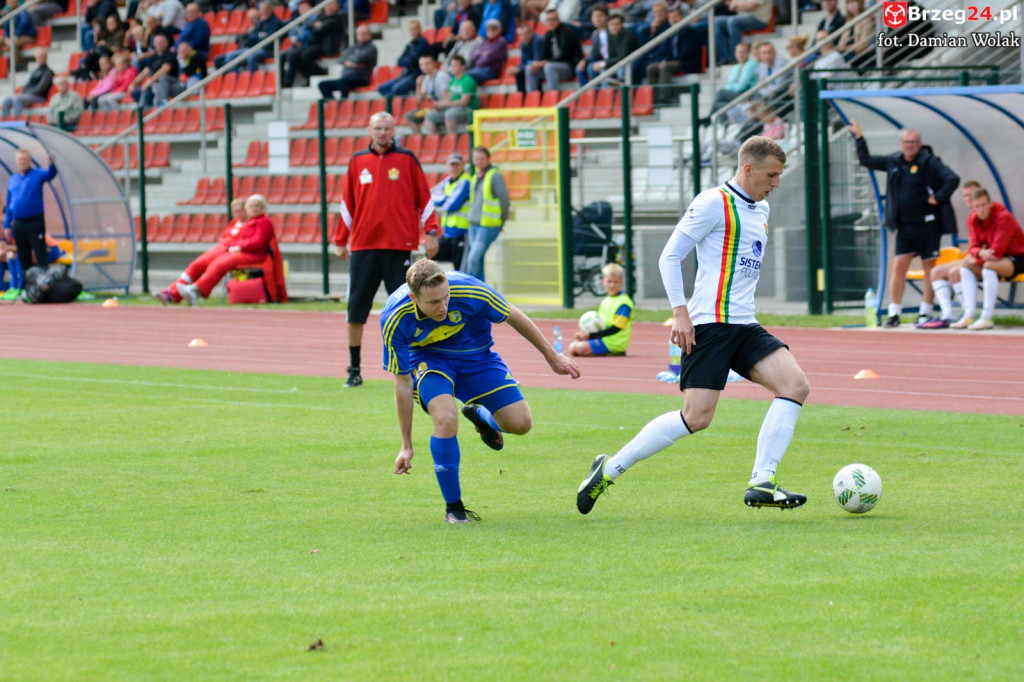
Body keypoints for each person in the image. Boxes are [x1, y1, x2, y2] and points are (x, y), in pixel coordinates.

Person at [577, 136, 811, 515]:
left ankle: (762, 481)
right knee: (696, 417)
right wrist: (680, 312)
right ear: (748, 169)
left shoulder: (761, 209)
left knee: (796, 385)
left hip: (744, 324)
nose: (777, 183)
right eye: (772, 174)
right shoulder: (712, 203)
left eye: (780, 175)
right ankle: (609, 468)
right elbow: (670, 257)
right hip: (711, 324)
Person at [382, 258, 581, 523]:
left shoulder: (471, 290)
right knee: (445, 418)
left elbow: (514, 315)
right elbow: (403, 383)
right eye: (433, 302)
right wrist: (406, 445)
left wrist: (552, 357)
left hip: (477, 356)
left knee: (521, 424)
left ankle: (480, 415)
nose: (443, 307)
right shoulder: (395, 318)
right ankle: (454, 508)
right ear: (413, 297)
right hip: (430, 360)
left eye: (446, 297)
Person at [333, 111, 440, 388]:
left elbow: (425, 199)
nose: (382, 133)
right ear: (369, 130)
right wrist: (339, 239)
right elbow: (348, 204)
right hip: (364, 247)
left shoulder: (406, 159)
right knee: (356, 309)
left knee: (410, 307)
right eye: (378, 128)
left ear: (394, 131)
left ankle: (419, 366)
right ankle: (354, 369)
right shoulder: (357, 162)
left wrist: (430, 231)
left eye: (387, 128)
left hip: (399, 247)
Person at [847, 120, 960, 327]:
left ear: (919, 143)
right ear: (901, 144)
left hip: (928, 225)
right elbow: (867, 160)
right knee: (899, 266)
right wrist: (859, 137)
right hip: (905, 226)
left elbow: (952, 178)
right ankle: (894, 312)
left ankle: (925, 311)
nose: (910, 145)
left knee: (929, 268)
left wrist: (939, 196)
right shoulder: (894, 161)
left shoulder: (930, 161)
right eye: (907, 142)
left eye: (914, 142)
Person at [175, 194, 278, 305]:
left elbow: (259, 242)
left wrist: (240, 247)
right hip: (246, 253)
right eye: (252, 206)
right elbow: (242, 239)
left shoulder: (264, 222)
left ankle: (196, 289)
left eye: (257, 206)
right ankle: (196, 289)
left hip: (256, 255)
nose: (254, 208)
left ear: (263, 207)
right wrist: (235, 246)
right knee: (217, 261)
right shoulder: (250, 222)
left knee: (221, 264)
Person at [949, 188, 1024, 330]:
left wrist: (977, 255)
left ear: (990, 203)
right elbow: (973, 247)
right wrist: (980, 253)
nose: (981, 210)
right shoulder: (972, 218)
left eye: (983, 205)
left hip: (1018, 259)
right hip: (991, 259)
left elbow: (996, 252)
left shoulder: (1004, 217)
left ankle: (986, 317)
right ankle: (969, 314)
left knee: (989, 265)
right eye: (977, 206)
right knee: (965, 267)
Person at [155, 198, 247, 304]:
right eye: (235, 211)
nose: (238, 213)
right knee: (195, 266)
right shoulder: (233, 223)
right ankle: (171, 292)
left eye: (240, 210)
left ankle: (189, 291)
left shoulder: (248, 225)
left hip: (228, 253)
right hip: (219, 250)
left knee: (211, 269)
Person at [919, 180, 980, 328]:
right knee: (936, 271)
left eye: (972, 194)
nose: (969, 198)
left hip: (989, 260)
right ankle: (948, 315)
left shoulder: (989, 213)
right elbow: (974, 247)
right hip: (972, 257)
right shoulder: (972, 216)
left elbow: (988, 248)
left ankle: (969, 314)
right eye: (965, 195)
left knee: (955, 271)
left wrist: (973, 255)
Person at [4, 149, 57, 276]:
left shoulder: (37, 174)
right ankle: (28, 284)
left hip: (35, 221)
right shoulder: (13, 179)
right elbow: (9, 203)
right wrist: (6, 225)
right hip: (18, 223)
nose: (22, 162)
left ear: (30, 161)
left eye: (25, 159)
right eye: (20, 160)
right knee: (23, 254)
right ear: (16, 162)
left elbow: (51, 174)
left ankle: (44, 282)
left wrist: (52, 164)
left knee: (39, 252)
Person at [461, 146, 509, 282]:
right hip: (474, 225)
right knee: (478, 261)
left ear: (488, 159)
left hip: (487, 225)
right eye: (476, 159)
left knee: (473, 259)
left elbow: (504, 201)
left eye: (482, 158)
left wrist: (502, 221)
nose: (479, 161)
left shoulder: (494, 175)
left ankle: (468, 289)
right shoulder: (476, 176)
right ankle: (481, 293)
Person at [568, 262, 634, 356]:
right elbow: (599, 324)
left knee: (579, 348)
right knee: (572, 347)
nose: (612, 285)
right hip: (603, 338)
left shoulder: (624, 303)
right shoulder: (606, 301)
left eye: (615, 282)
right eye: (609, 281)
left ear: (621, 282)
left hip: (614, 342)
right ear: (603, 282)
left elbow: (616, 328)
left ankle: (613, 352)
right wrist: (586, 334)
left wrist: (591, 336)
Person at [280, 0, 342, 88]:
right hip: (312, 43)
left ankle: (319, 75)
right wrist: (315, 26)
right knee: (293, 56)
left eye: (331, 5)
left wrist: (317, 26)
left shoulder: (338, 17)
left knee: (301, 55)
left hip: (325, 45)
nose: (329, 7)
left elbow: (318, 29)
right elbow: (309, 27)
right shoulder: (320, 17)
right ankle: (289, 81)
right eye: (328, 5)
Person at [526, 9, 583, 93]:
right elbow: (544, 55)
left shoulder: (567, 32)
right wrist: (538, 63)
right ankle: (533, 98)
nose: (551, 22)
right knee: (530, 68)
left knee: (549, 67)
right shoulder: (549, 34)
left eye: (553, 19)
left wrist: (543, 62)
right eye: (548, 20)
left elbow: (564, 56)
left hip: (570, 66)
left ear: (559, 19)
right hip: (553, 65)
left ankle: (553, 95)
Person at [431, 153, 472, 268]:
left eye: (457, 165)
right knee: (431, 254)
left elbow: (452, 205)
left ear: (463, 166)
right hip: (447, 232)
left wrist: (443, 198)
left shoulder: (465, 181)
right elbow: (433, 199)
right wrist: (445, 199)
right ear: (448, 166)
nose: (454, 167)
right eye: (452, 165)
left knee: (460, 268)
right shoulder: (446, 182)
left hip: (461, 232)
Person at [318, 24, 377, 100]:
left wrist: (349, 61)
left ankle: (342, 104)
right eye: (358, 34)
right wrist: (352, 63)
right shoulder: (353, 47)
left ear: (369, 35)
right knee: (323, 85)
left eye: (363, 34)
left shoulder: (371, 48)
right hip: (346, 78)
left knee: (344, 83)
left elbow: (358, 59)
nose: (360, 36)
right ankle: (333, 105)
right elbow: (341, 59)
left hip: (361, 78)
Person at [422, 54, 477, 135]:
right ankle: (435, 142)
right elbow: (449, 97)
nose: (452, 68)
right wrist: (440, 105)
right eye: (452, 65)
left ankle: (452, 140)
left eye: (455, 66)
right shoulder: (453, 80)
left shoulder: (467, 81)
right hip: (454, 108)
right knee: (430, 115)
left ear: (463, 67)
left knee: (450, 114)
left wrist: (446, 103)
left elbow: (464, 102)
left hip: (468, 109)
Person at [376, 20, 430, 97]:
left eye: (415, 29)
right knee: (381, 88)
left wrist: (408, 60)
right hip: (406, 74)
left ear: (419, 29)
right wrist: (408, 60)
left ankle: (397, 102)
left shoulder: (423, 43)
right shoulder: (410, 44)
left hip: (416, 75)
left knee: (396, 89)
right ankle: (393, 101)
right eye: (411, 29)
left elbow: (413, 60)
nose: (413, 31)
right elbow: (399, 61)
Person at [405, 54, 450, 134]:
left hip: (445, 108)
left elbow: (447, 97)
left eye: (427, 64)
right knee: (409, 116)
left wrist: (439, 105)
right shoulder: (426, 79)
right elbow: (419, 100)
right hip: (434, 108)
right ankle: (420, 140)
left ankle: (435, 141)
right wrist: (418, 85)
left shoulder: (441, 76)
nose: (424, 67)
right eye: (422, 64)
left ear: (433, 64)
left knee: (429, 116)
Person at [2, 49, 53, 118]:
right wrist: (23, 92)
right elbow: (28, 85)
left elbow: (41, 88)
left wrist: (26, 93)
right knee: (7, 100)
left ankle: (18, 121)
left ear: (45, 57)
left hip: (40, 97)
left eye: (41, 56)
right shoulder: (35, 71)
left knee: (17, 99)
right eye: (38, 56)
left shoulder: (48, 72)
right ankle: (5, 122)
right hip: (30, 95)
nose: (39, 58)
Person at [465, 19, 507, 85]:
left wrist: (480, 55)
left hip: (490, 71)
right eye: (488, 29)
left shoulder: (501, 42)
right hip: (478, 69)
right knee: (458, 74)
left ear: (499, 30)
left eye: (494, 29)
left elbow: (488, 58)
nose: (491, 31)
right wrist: (483, 54)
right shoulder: (485, 42)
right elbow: (473, 57)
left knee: (465, 75)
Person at [509, 21, 543, 94]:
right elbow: (523, 61)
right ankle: (522, 98)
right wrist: (517, 68)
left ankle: (536, 96)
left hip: (541, 67)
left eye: (525, 34)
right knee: (519, 72)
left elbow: (536, 60)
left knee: (530, 69)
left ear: (531, 32)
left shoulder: (537, 41)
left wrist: (519, 68)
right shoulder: (523, 43)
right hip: (532, 66)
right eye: (521, 35)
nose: (523, 37)